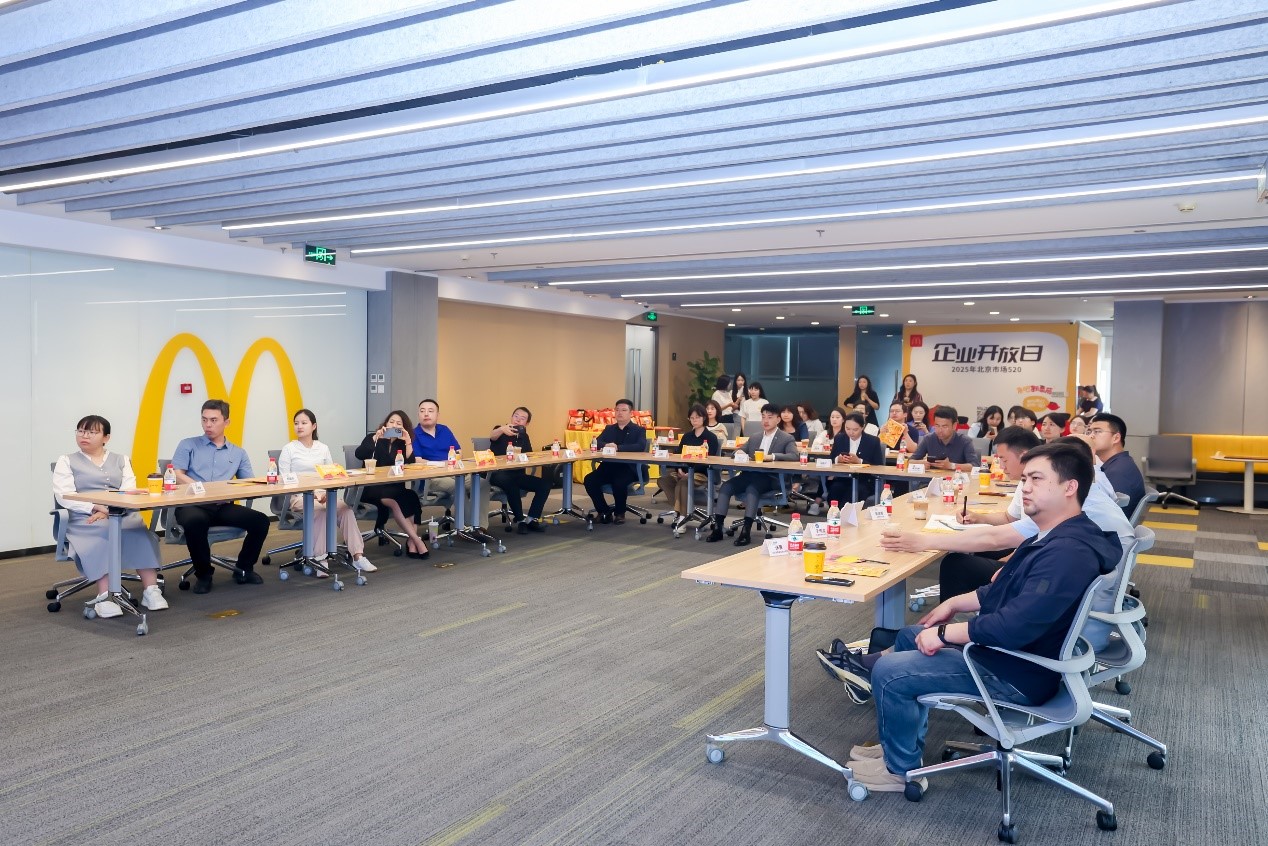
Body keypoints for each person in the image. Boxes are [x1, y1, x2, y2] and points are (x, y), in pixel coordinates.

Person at [843, 442, 1122, 793]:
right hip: (1013, 654)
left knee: (889, 671)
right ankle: (897, 747)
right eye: (1025, 479)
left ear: (1070, 487)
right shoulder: (1057, 535)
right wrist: (955, 603)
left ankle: (899, 771)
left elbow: (1014, 625)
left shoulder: (1067, 553)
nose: (1025, 487)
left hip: (1018, 669)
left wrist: (945, 634)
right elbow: (1008, 592)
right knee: (908, 636)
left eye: (1037, 479)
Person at [53, 415, 166, 616]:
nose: (84, 436)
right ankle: (105, 596)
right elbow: (64, 495)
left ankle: (151, 590)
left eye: (92, 432)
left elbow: (128, 490)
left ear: (106, 437)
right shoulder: (66, 461)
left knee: (138, 531)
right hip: (85, 517)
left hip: (120, 512)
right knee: (103, 533)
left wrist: (110, 510)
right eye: (81, 431)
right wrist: (97, 508)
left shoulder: (121, 459)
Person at [171, 399, 271, 594]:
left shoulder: (238, 453)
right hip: (192, 504)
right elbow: (176, 474)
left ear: (226, 422)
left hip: (221, 506)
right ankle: (204, 575)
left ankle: (244, 568)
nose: (208, 425)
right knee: (195, 521)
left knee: (260, 521)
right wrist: (201, 489)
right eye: (204, 420)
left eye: (214, 420)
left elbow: (248, 482)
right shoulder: (188, 445)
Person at [278, 408, 376, 574]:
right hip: (300, 496)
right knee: (320, 511)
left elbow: (331, 475)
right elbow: (285, 479)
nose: (299, 426)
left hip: (323, 494)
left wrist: (324, 493)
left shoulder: (323, 448)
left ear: (313, 426)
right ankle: (321, 559)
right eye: (296, 423)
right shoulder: (289, 449)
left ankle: (358, 556)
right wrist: (313, 494)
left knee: (345, 510)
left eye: (304, 423)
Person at [705, 403, 797, 546]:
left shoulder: (786, 438)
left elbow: (794, 456)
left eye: (770, 417)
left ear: (778, 419)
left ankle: (745, 531)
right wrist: (740, 453)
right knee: (726, 487)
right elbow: (736, 452)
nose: (765, 421)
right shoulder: (755, 437)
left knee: (752, 489)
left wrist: (771, 457)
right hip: (750, 475)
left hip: (771, 478)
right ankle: (718, 528)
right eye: (763, 417)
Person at [355, 410, 430, 559]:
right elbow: (359, 454)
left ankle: (411, 541)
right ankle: (417, 540)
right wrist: (376, 438)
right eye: (391, 422)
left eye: (398, 424)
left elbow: (410, 464)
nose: (394, 425)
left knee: (412, 497)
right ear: (385, 424)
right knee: (396, 501)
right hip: (372, 488)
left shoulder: (402, 443)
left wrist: (408, 441)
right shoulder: (373, 437)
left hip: (394, 486)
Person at [488, 406, 553, 533]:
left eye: (522, 418)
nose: (518, 420)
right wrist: (501, 429)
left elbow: (529, 455)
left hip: (517, 474)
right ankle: (520, 521)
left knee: (545, 484)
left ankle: (531, 519)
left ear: (526, 423)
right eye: (516, 416)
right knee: (511, 483)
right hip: (498, 474)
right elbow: (492, 436)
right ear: (511, 417)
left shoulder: (524, 436)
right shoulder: (500, 430)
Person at [583, 398, 649, 524]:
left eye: (624, 410)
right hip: (608, 466)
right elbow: (595, 443)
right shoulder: (609, 429)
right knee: (590, 480)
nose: (620, 413)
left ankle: (620, 513)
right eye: (617, 410)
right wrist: (606, 445)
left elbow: (640, 446)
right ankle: (604, 511)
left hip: (628, 467)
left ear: (631, 413)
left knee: (619, 482)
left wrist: (618, 447)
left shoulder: (638, 430)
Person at [658, 404, 721, 532]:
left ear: (704, 418)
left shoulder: (711, 438)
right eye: (692, 418)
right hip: (684, 472)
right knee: (663, 480)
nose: (694, 420)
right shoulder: (686, 437)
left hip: (701, 473)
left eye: (697, 417)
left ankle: (682, 517)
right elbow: (678, 455)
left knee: (684, 482)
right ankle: (680, 509)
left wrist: (689, 473)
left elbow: (709, 461)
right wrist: (679, 469)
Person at [823, 412, 886, 505]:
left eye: (855, 430)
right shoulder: (839, 438)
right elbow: (831, 459)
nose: (851, 432)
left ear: (862, 427)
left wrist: (860, 461)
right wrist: (838, 460)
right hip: (843, 478)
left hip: (864, 480)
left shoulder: (873, 441)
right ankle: (837, 512)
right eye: (847, 429)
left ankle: (843, 513)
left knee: (855, 492)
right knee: (835, 489)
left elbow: (879, 465)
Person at [1090, 413, 1146, 516]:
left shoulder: (1118, 471)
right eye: (1090, 431)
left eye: (1097, 431)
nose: (1091, 436)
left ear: (1116, 438)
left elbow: (1104, 512)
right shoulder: (1120, 463)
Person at [909, 405, 979, 471]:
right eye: (937, 426)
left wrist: (951, 466)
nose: (940, 430)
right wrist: (920, 463)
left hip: (956, 478)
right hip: (932, 478)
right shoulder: (928, 439)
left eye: (944, 426)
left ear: (954, 426)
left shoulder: (965, 441)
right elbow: (910, 461)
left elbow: (975, 466)